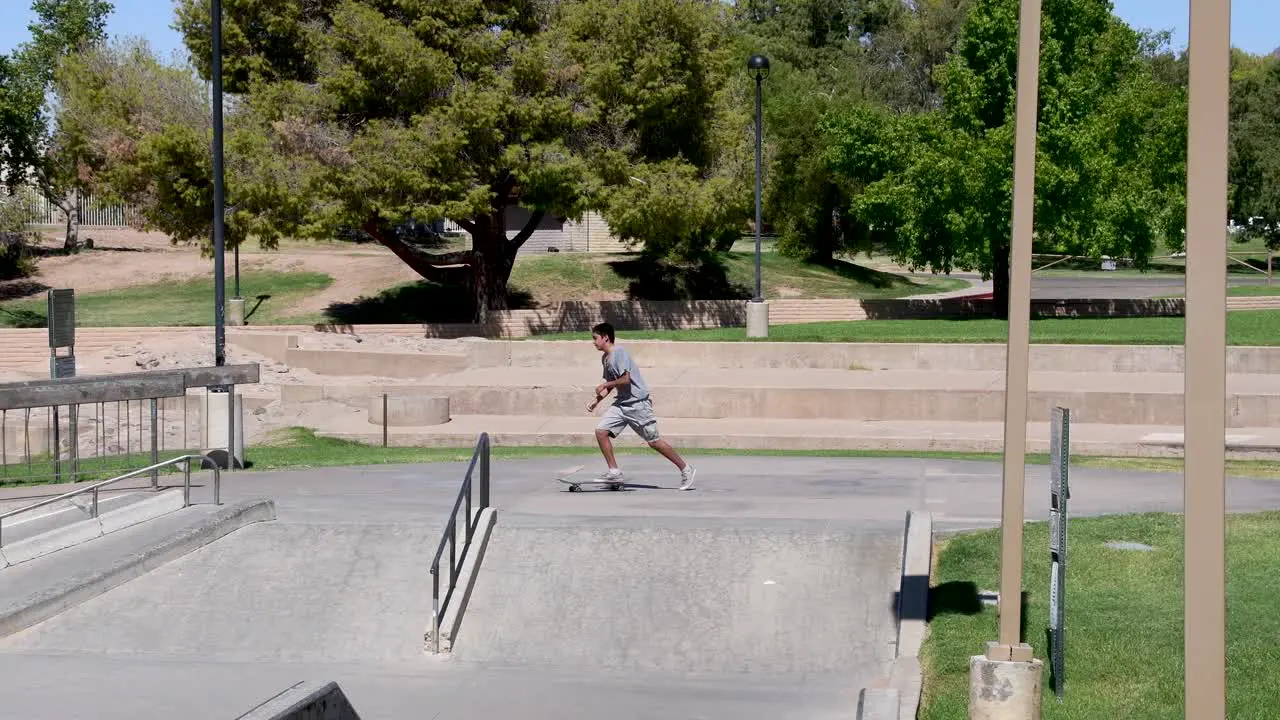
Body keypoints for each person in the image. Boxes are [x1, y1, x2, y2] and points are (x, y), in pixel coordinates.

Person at [586, 322, 696, 490]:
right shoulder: (605, 359)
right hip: (622, 404)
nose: (593, 342)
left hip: (638, 405)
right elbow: (610, 386)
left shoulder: (619, 353)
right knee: (601, 431)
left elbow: (625, 379)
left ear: (605, 337)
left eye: (595, 338)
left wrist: (605, 384)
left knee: (654, 442)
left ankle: (685, 469)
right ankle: (614, 472)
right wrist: (596, 401)